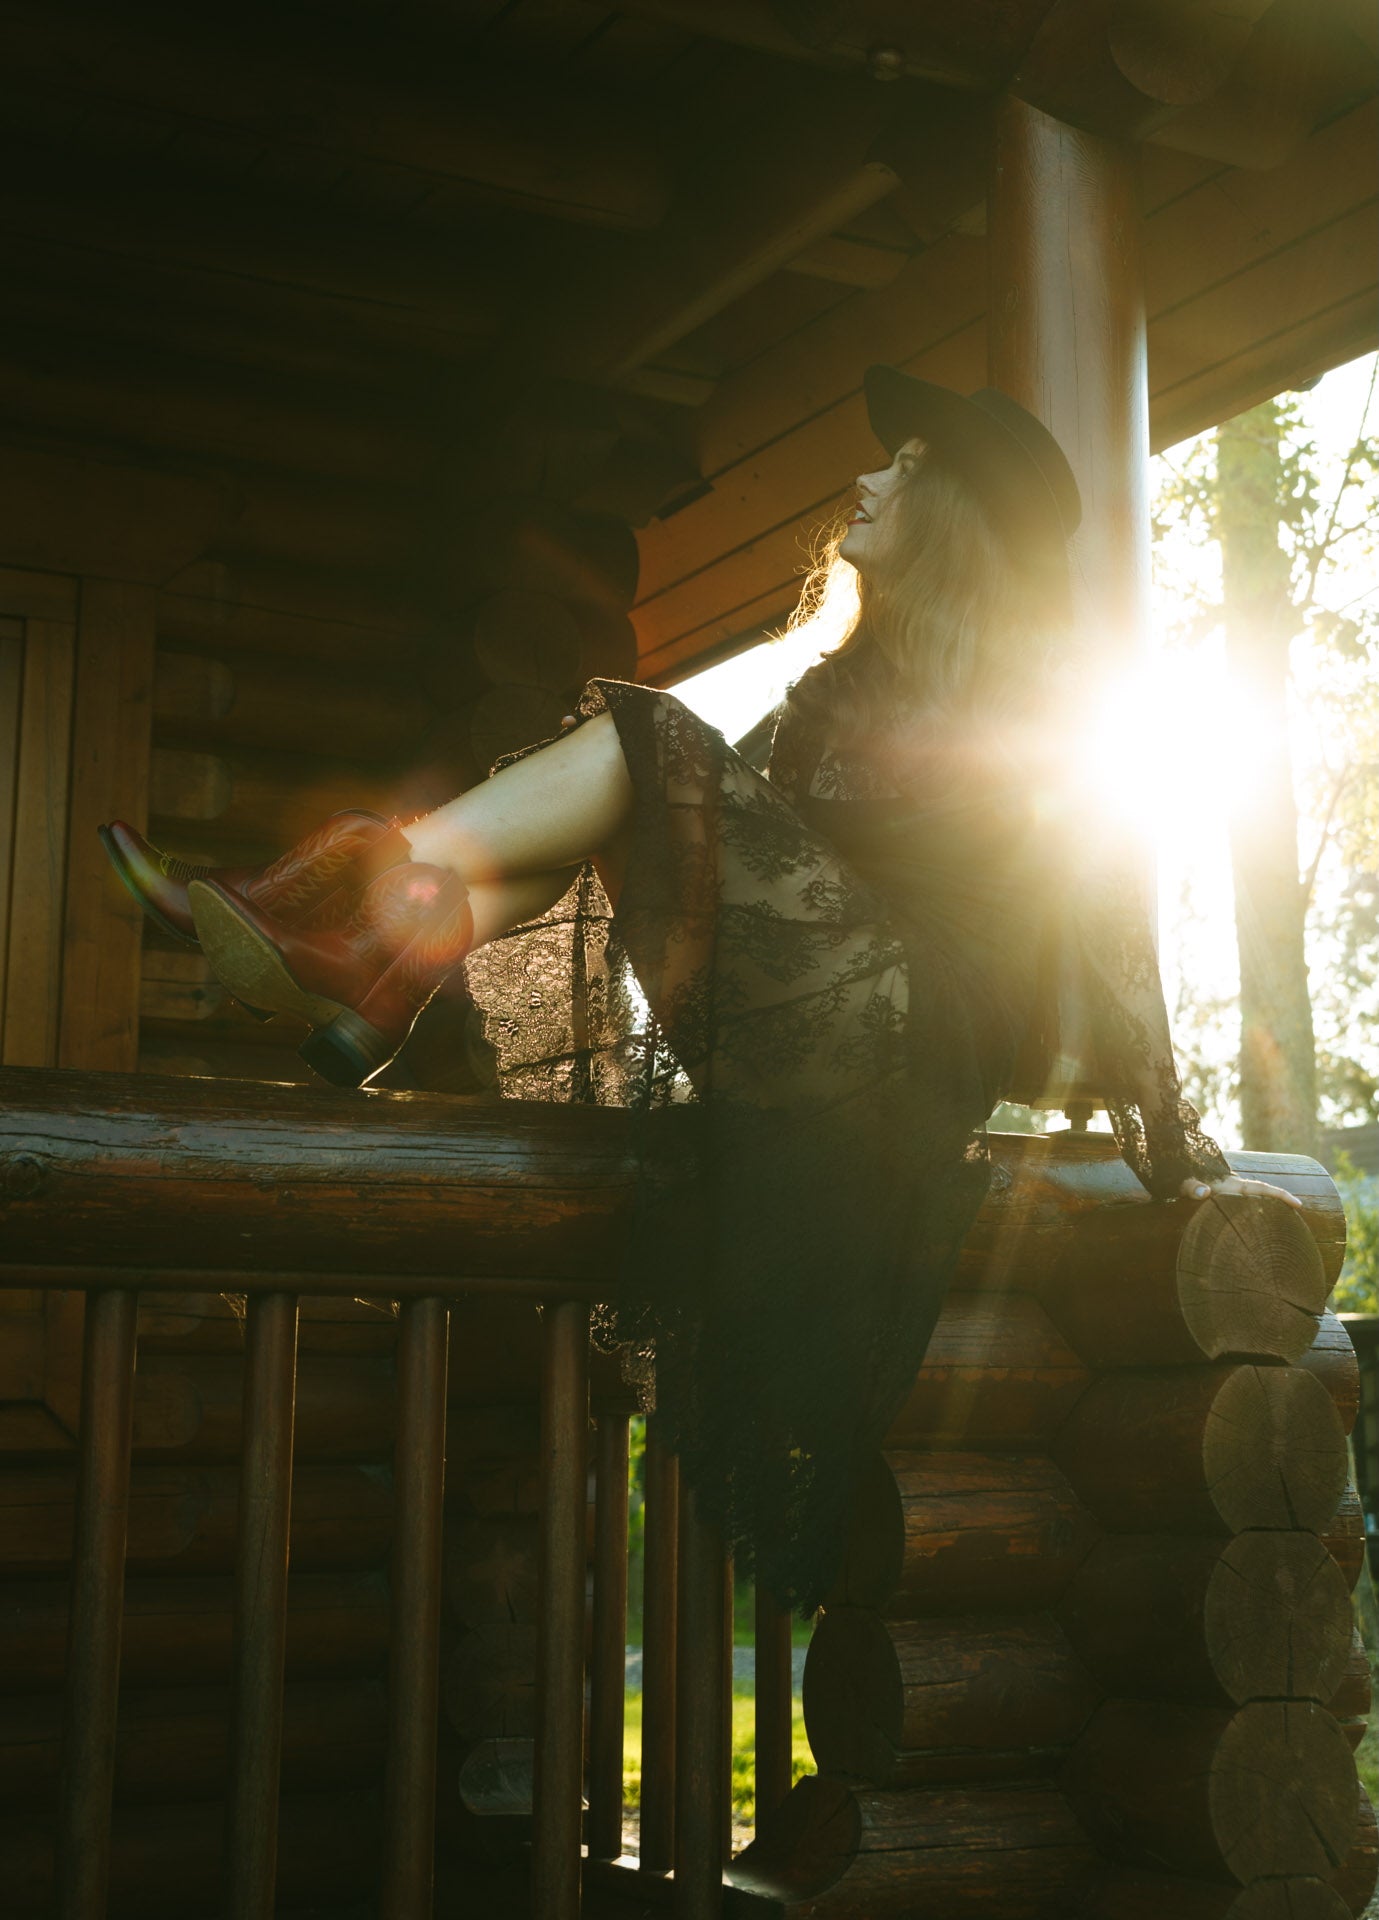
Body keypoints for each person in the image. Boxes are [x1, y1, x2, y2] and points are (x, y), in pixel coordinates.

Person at [100, 366, 1301, 1614]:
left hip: (911, 1022)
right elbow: (675, 824)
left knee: (643, 739)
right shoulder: (835, 694)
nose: (866, 477)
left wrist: (1163, 1121)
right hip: (809, 1016)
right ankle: (375, 947)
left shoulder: (1040, 695)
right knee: (625, 778)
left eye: (905, 466)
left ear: (953, 514)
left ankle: (356, 920)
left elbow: (1104, 902)